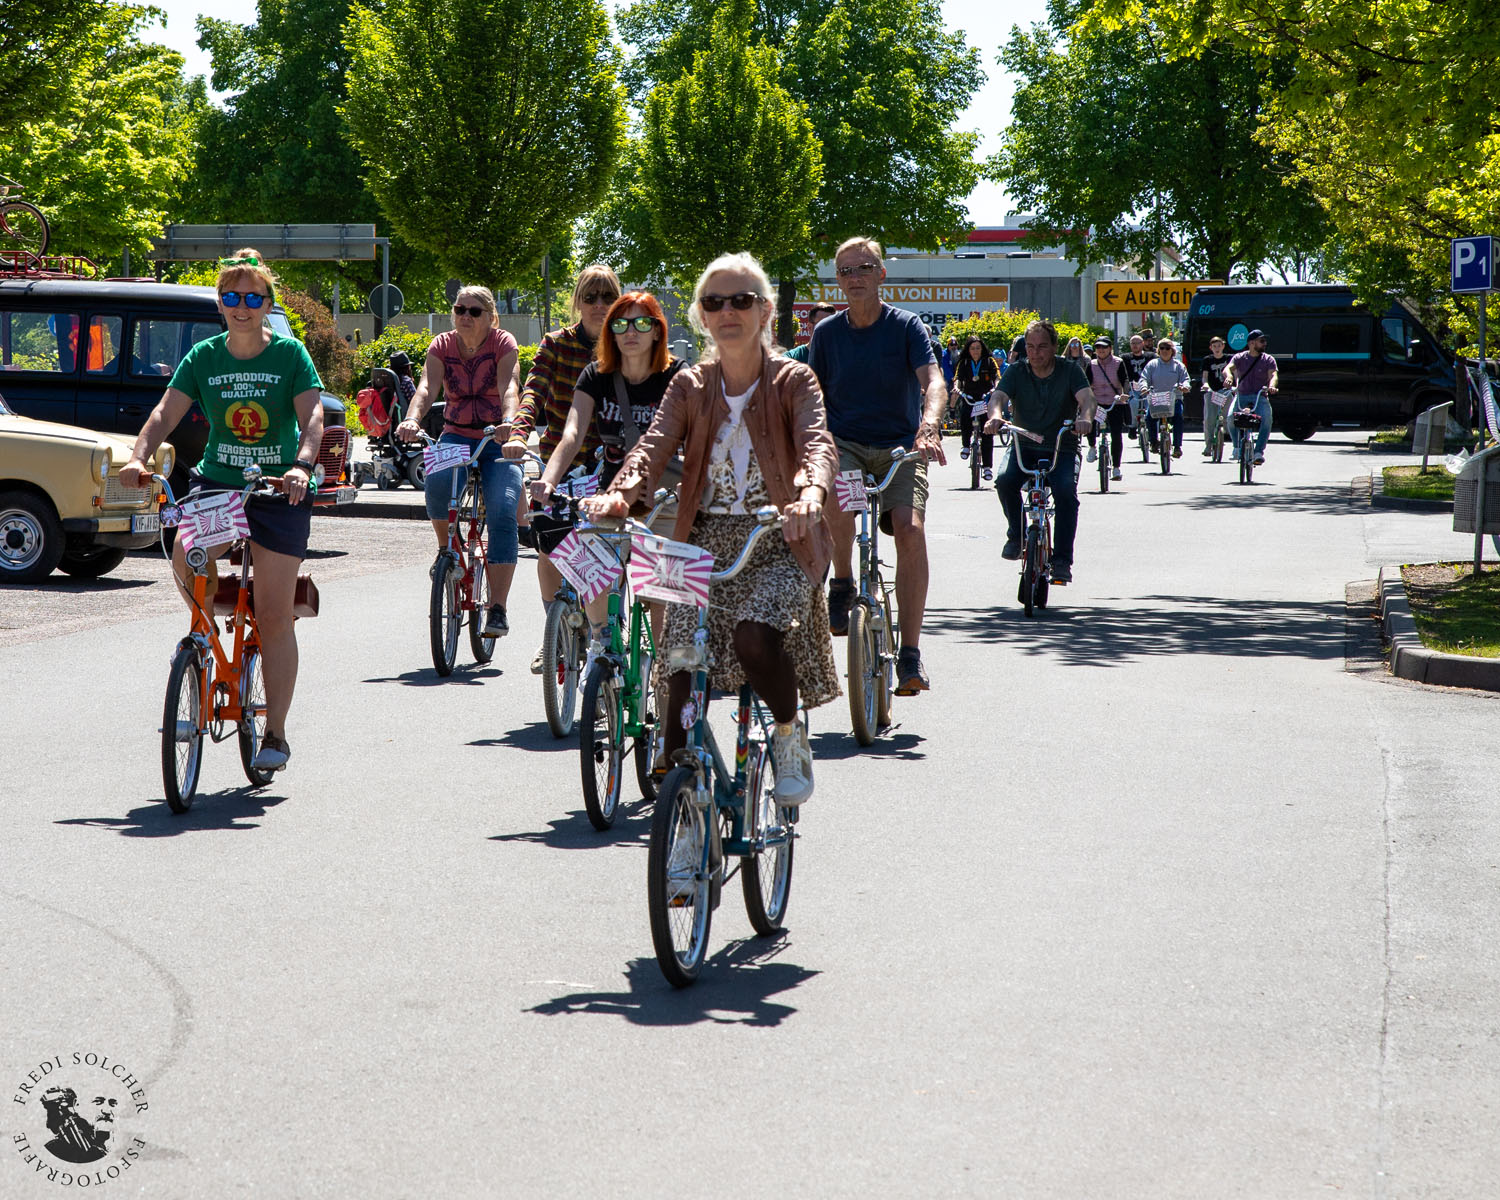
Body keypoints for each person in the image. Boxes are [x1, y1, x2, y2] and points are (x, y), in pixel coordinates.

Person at [583, 252, 839, 806]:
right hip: (698, 539)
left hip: (779, 536)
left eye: (741, 300)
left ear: (766, 310)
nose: (728, 311)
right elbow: (651, 447)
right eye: (714, 302)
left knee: (753, 638)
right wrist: (620, 494)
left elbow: (818, 444)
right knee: (678, 666)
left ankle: (790, 737)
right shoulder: (691, 384)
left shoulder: (794, 379)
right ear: (701, 315)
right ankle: (683, 815)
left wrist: (811, 496)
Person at [120, 249, 322, 773]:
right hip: (219, 486)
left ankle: (275, 732)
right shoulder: (204, 356)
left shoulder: (291, 355)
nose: (241, 306)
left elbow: (313, 417)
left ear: (267, 305)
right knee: (187, 555)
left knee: (275, 615)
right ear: (220, 302)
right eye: (231, 296)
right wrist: (138, 457)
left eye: (253, 298)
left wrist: (302, 465)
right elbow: (166, 411)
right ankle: (204, 644)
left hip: (279, 492)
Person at [810, 236, 947, 694]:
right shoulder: (827, 333)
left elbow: (933, 381)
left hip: (899, 446)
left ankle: (910, 653)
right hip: (845, 442)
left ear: (881, 274)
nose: (854, 277)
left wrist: (928, 426)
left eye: (863, 268)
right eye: (846, 271)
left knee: (910, 529)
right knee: (840, 503)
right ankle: (843, 581)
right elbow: (814, 397)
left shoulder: (906, 326)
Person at [531, 290, 684, 646]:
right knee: (594, 572)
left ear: (657, 330)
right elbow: (571, 432)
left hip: (665, 498)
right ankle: (600, 645)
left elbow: (670, 439)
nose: (631, 331)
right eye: (620, 323)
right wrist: (548, 481)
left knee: (658, 600)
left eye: (642, 322)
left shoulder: (676, 374)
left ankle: (656, 677)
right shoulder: (596, 375)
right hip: (611, 497)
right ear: (611, 333)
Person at [505, 264, 620, 671]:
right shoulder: (555, 345)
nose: (599, 305)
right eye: (590, 297)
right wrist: (519, 433)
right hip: (560, 462)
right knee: (549, 545)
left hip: (609, 466)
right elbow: (533, 390)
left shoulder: (625, 345)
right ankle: (554, 633)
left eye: (608, 297)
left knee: (604, 552)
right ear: (577, 302)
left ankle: (607, 636)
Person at [396, 285, 522, 639]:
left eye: (474, 311)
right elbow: (425, 387)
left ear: (490, 317)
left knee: (502, 509)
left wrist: (509, 426)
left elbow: (510, 387)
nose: (465, 316)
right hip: (455, 434)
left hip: (496, 438)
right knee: (436, 485)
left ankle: (497, 608)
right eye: (459, 309)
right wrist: (412, 420)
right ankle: (445, 552)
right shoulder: (441, 345)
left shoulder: (503, 343)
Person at [985, 320, 1094, 583]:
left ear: (1055, 347)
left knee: (1066, 493)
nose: (1035, 353)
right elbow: (998, 397)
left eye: (1042, 346)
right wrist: (995, 417)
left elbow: (1087, 398)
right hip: (1023, 445)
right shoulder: (1017, 370)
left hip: (1061, 447)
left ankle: (1062, 561)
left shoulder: (1069, 370)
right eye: (1030, 347)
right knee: (1004, 481)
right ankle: (1017, 534)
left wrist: (1086, 418)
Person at [1225, 328, 1278, 465]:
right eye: (1262, 341)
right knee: (1230, 418)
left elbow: (1273, 375)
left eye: (1264, 341)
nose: (1264, 343)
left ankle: (1258, 451)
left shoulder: (1268, 359)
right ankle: (1237, 447)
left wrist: (1272, 385)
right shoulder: (1240, 357)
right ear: (1252, 343)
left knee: (1267, 419)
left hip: (1260, 396)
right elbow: (1228, 368)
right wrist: (1229, 378)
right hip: (1241, 395)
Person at [953, 335, 1001, 480]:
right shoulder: (964, 363)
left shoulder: (989, 361)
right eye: (972, 348)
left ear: (982, 349)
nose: (975, 351)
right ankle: (966, 446)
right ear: (968, 349)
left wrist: (996, 389)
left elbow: (997, 378)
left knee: (987, 432)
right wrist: (957, 389)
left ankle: (987, 467)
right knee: (965, 418)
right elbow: (957, 380)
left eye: (978, 348)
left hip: (985, 399)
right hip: (969, 398)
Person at [1084, 336, 1131, 479]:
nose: (1101, 350)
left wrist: (1125, 395)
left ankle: (1116, 467)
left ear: (1110, 348)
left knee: (1116, 434)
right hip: (1097, 401)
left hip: (1114, 402)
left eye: (1104, 347)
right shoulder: (1091, 364)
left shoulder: (1118, 362)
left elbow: (1125, 381)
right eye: (1098, 347)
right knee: (1089, 422)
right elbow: (1086, 383)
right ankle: (1092, 447)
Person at [1139, 338, 1190, 458]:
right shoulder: (1152, 364)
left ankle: (1177, 447)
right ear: (1158, 350)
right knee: (1149, 417)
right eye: (1162, 348)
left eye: (1167, 348)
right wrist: (1143, 387)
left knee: (1178, 417)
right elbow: (1144, 378)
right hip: (1156, 399)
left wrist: (1185, 387)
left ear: (1172, 351)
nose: (1164, 350)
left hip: (1174, 399)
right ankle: (1153, 442)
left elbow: (1185, 379)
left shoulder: (1179, 366)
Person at [1200, 334, 1232, 456]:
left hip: (1226, 391)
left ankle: (1229, 437)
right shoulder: (1207, 360)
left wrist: (1236, 386)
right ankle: (1208, 445)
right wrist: (1206, 385)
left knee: (1227, 417)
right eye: (1214, 346)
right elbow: (1205, 377)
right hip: (1212, 391)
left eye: (1219, 345)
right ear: (1211, 348)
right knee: (1209, 419)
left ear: (1223, 346)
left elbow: (1235, 374)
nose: (1217, 348)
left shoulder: (1229, 358)